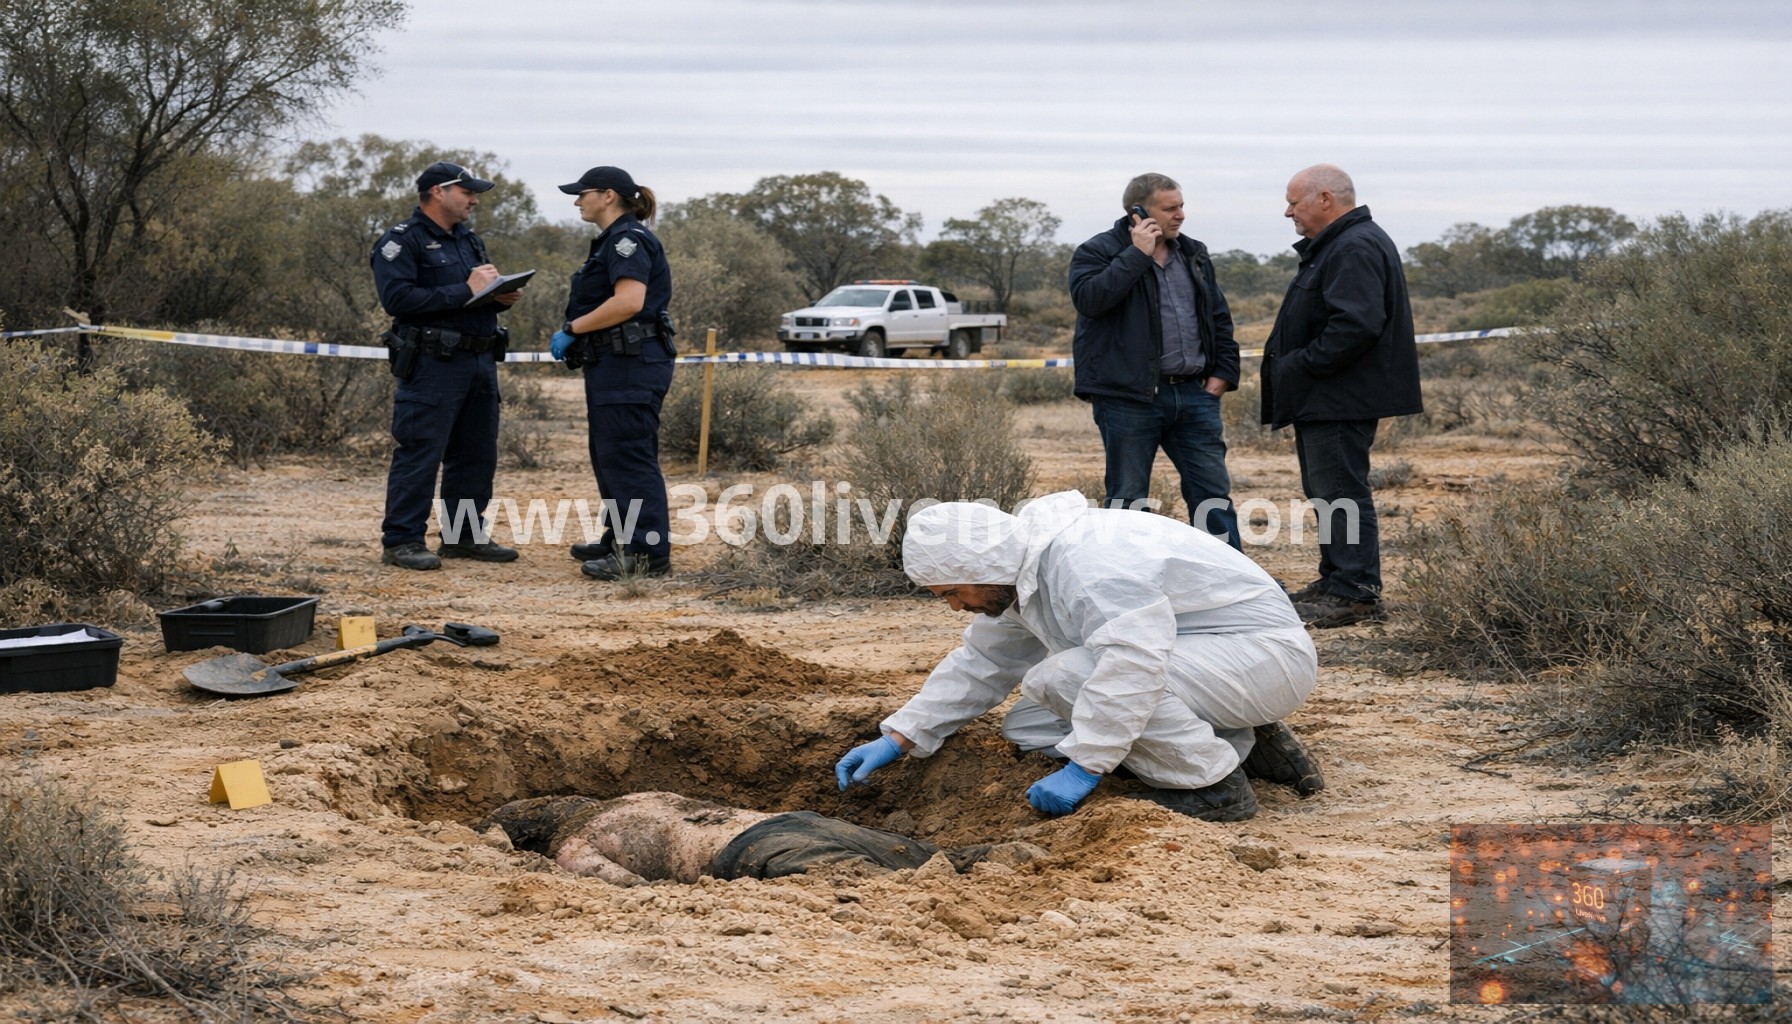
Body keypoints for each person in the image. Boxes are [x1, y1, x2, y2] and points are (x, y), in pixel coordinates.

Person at [834, 491, 1323, 823]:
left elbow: (1132, 665)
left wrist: (1086, 767)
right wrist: (900, 736)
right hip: (1211, 665)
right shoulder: (1019, 571)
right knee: (1029, 725)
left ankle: (1214, 789)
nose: (956, 606)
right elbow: (982, 664)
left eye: (952, 592)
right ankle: (1242, 738)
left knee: (1066, 677)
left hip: (1263, 658)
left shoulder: (1086, 562)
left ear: (980, 566)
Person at [1262, 165, 1423, 628]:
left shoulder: (1353, 245)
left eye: (1295, 201)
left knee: (1341, 493)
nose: (1288, 211)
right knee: (1329, 493)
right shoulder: (1342, 243)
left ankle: (1355, 592)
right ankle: (1337, 580)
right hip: (1328, 396)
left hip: (1339, 397)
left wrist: (1299, 365)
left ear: (1326, 199)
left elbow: (1356, 325)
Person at [1069, 173, 1242, 549]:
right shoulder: (1098, 250)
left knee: (1213, 495)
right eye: (1170, 208)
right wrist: (1136, 254)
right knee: (1127, 500)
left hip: (1195, 396)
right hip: (1129, 399)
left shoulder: (1192, 252)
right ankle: (1127, 580)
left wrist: (1224, 372)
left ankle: (1231, 584)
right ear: (1139, 212)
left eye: (1181, 206)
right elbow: (1090, 301)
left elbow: (1218, 316)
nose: (1180, 215)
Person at [371, 161, 524, 571]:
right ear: (438, 192)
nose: (474, 199)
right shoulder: (402, 242)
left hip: (478, 359)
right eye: (467, 192)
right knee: (421, 450)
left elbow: (474, 294)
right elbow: (398, 300)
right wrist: (466, 289)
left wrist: (498, 295)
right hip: (432, 364)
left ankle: (464, 538)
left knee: (476, 453)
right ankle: (402, 540)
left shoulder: (468, 240)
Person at [549, 166, 676, 581]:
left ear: (607, 195)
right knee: (610, 455)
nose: (576, 200)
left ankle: (645, 553)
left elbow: (628, 302)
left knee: (628, 456)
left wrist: (572, 329)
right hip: (615, 362)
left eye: (582, 193)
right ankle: (621, 537)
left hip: (631, 362)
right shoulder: (612, 241)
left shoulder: (627, 240)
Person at [475, 792, 1046, 884]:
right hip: (798, 819)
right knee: (911, 854)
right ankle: (988, 858)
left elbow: (628, 890)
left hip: (745, 852)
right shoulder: (634, 799)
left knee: (849, 882)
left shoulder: (574, 844)